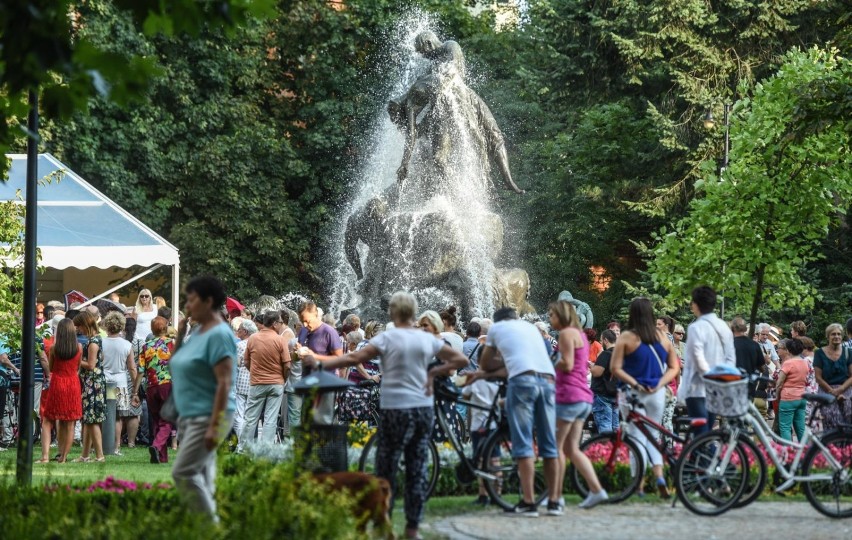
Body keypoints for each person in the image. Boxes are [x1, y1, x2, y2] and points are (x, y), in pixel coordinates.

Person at [302, 291, 468, 540]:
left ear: (392, 312)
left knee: (386, 468)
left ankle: (384, 523)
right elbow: (461, 359)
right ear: (413, 312)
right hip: (422, 410)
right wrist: (433, 374)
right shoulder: (426, 339)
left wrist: (319, 361)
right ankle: (412, 528)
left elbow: (354, 358)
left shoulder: (387, 338)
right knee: (417, 466)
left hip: (394, 410)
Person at [469, 307, 558, 517]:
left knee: (523, 440)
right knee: (548, 442)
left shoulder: (496, 329)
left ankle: (529, 503)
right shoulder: (530, 328)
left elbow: (485, 363)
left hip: (523, 382)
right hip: (547, 381)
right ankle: (554, 502)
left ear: (497, 320)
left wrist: (497, 363)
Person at [169, 276, 236, 521]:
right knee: (204, 475)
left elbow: (224, 382)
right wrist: (180, 335)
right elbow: (174, 365)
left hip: (208, 415)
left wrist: (214, 424)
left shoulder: (219, 334)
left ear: (208, 301)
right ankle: (202, 527)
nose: (187, 305)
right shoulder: (197, 331)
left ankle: (211, 528)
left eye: (191, 299)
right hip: (191, 414)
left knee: (184, 472)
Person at [610, 297, 680, 498]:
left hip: (632, 394)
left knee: (635, 438)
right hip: (656, 394)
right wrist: (659, 383)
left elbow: (615, 368)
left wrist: (635, 383)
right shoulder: (663, 337)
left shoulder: (626, 337)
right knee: (653, 435)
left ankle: (638, 484)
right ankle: (659, 477)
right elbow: (675, 367)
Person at [549, 300, 608, 512]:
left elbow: (568, 363)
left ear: (562, 316)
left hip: (568, 396)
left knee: (555, 449)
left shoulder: (566, 334)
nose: (549, 319)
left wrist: (550, 360)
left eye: (552, 315)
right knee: (572, 449)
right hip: (583, 397)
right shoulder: (581, 335)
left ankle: (555, 499)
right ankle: (596, 489)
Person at [680, 286, 736, 434]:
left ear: (696, 305)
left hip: (697, 390)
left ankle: (710, 457)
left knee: (701, 435)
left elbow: (697, 358)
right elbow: (731, 358)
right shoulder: (724, 326)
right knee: (707, 432)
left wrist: (709, 375)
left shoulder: (696, 327)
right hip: (717, 390)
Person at [239, 311, 290, 448]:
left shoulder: (253, 338)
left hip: (257, 383)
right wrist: (283, 379)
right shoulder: (280, 340)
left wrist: (255, 373)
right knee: (270, 419)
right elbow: (287, 364)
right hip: (276, 383)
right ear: (274, 324)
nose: (281, 325)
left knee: (250, 418)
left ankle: (243, 448)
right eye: (279, 322)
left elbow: (246, 361)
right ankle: (265, 450)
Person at [134, 316, 176, 463]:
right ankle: (157, 446)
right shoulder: (173, 344)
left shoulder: (146, 346)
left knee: (157, 421)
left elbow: (140, 371)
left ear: (152, 329)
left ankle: (161, 458)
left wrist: (135, 392)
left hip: (151, 387)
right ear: (166, 327)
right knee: (168, 420)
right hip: (168, 385)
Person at [41, 319, 82, 462]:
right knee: (70, 423)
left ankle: (45, 456)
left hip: (58, 382)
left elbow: (51, 368)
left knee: (48, 420)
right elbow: (77, 367)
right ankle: (63, 457)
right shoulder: (79, 347)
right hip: (72, 383)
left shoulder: (53, 348)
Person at [295, 301, 343, 425]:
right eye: (302, 321)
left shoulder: (329, 332)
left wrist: (314, 356)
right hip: (307, 382)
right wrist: (296, 352)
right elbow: (297, 357)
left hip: (325, 384)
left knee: (322, 424)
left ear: (316, 314)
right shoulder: (303, 331)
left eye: (308, 321)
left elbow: (340, 359)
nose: (305, 324)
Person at [101, 312, 137, 455]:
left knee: (102, 415)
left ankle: (99, 446)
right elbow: (132, 368)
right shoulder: (127, 345)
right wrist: (135, 388)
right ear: (121, 326)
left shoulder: (101, 342)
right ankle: (116, 447)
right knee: (118, 417)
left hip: (104, 380)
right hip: (120, 382)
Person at [73, 311, 106, 462]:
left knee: (92, 420)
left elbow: (91, 365)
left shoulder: (93, 342)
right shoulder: (94, 339)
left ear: (85, 324)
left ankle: (99, 455)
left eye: (78, 326)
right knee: (88, 419)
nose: (78, 330)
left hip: (92, 383)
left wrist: (77, 359)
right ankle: (85, 455)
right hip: (91, 383)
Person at [813, 323, 852, 430]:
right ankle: (831, 446)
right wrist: (833, 392)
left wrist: (841, 389)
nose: (836, 336)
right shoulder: (819, 353)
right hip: (826, 391)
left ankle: (847, 446)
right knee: (831, 418)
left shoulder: (848, 352)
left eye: (839, 334)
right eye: (833, 334)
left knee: (848, 421)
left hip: (845, 390)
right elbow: (818, 378)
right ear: (828, 336)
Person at [731, 316, 770, 417]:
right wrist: (763, 361)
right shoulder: (754, 345)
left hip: (731, 387)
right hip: (749, 387)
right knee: (746, 416)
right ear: (744, 329)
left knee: (731, 418)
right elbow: (762, 368)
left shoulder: (728, 344)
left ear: (732, 329)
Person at [776, 338, 809, 441]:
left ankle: (789, 453)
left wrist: (777, 396)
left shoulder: (788, 363)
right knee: (801, 428)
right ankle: (806, 452)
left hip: (788, 398)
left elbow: (779, 382)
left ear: (788, 350)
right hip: (802, 397)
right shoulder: (804, 362)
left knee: (785, 427)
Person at [233, 318, 258, 445]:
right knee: (251, 416)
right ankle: (249, 443)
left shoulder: (240, 345)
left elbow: (237, 364)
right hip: (255, 381)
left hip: (241, 381)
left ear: (246, 331)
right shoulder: (258, 343)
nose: (238, 331)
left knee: (239, 415)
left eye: (240, 329)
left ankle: (242, 444)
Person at [590, 329, 619, 433]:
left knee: (604, 425)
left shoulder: (606, 354)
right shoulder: (621, 354)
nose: (601, 343)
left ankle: (605, 448)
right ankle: (616, 447)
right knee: (616, 426)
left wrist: (591, 367)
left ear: (606, 340)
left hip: (603, 394)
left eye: (601, 340)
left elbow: (597, 372)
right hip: (616, 394)